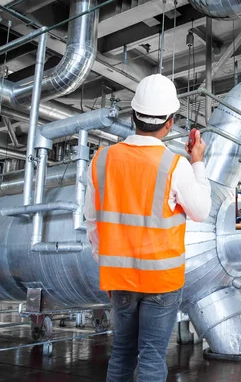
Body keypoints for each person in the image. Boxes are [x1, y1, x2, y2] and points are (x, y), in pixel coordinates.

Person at [83, 74, 212, 382]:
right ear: (170, 122)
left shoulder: (101, 159)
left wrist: (105, 260)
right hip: (161, 282)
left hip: (120, 278)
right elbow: (201, 212)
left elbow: (91, 219)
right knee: (152, 357)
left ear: (132, 115)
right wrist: (197, 162)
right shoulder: (175, 165)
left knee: (122, 353)